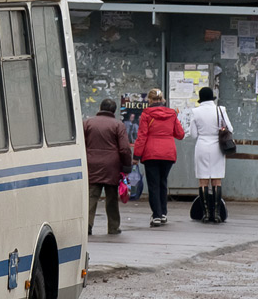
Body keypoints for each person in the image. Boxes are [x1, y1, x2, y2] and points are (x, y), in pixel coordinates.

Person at [132, 87, 184, 228]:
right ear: (162, 100)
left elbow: (142, 136)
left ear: (149, 100)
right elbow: (180, 134)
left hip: (151, 153)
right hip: (168, 152)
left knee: (154, 184)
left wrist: (136, 155)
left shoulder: (146, 114)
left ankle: (156, 215)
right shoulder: (172, 114)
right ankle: (163, 214)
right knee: (163, 182)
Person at [84, 98, 133, 236]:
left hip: (91, 164)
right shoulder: (118, 125)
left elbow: (81, 143)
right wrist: (126, 166)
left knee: (91, 196)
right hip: (112, 166)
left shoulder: (88, 123)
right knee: (111, 197)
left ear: (100, 107)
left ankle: (87, 225)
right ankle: (113, 227)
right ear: (114, 110)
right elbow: (124, 148)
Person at [189, 86, 232, 224]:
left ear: (200, 98)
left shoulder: (195, 112)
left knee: (203, 180)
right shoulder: (220, 110)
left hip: (201, 146)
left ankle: (206, 214)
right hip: (217, 148)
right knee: (216, 179)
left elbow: (193, 134)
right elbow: (230, 128)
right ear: (212, 98)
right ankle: (217, 214)